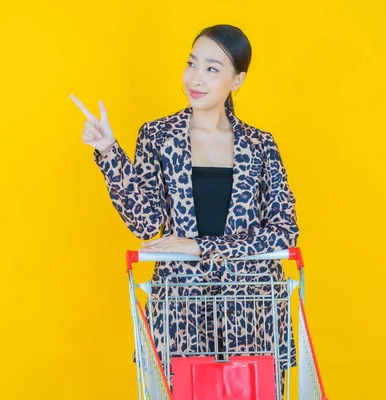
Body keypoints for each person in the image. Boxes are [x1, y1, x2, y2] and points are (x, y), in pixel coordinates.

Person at [71, 23, 299, 398]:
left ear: (237, 81)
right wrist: (109, 152)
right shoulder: (158, 136)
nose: (196, 78)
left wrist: (201, 246)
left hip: (252, 309)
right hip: (181, 308)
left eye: (212, 68)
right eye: (192, 64)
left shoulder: (260, 146)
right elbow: (146, 223)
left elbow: (284, 230)